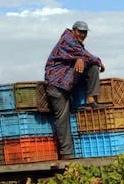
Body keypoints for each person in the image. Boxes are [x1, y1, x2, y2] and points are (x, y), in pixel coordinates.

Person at [44, 20, 105, 160]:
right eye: (80, 32)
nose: (82, 35)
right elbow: (87, 56)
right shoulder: (68, 40)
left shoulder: (76, 45)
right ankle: (66, 154)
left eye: (85, 33)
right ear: (74, 30)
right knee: (62, 118)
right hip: (57, 85)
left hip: (67, 84)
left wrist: (81, 59)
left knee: (92, 67)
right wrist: (96, 61)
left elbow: (83, 55)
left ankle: (90, 98)